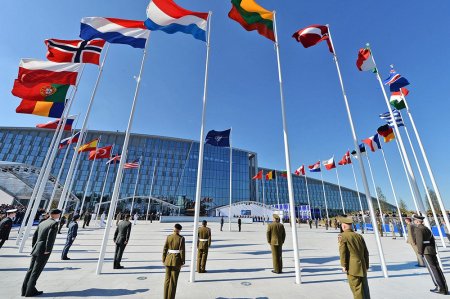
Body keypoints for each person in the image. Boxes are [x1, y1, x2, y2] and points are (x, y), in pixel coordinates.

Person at [22, 209, 61, 297]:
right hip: (44, 250)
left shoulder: (43, 222)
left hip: (36, 248)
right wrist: (48, 249)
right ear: (54, 215)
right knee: (36, 270)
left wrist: (34, 247)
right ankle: (30, 291)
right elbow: (50, 238)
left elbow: (35, 236)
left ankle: (24, 289)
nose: (59, 216)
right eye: (59, 214)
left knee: (31, 269)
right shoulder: (54, 223)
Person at [412, 214, 448, 295]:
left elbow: (420, 242)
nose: (414, 221)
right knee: (437, 269)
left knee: (433, 270)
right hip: (431, 250)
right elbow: (432, 240)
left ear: (417, 221)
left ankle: (440, 288)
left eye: (414, 220)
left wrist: (420, 252)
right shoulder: (427, 229)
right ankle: (444, 287)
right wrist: (433, 249)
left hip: (425, 251)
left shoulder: (418, 229)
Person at [338, 215, 370, 299]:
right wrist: (366, 265)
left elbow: (343, 252)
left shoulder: (343, 236)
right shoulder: (359, 236)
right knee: (365, 288)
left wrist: (343, 265)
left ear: (343, 226)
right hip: (362, 265)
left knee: (357, 289)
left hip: (352, 267)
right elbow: (366, 252)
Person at [163, 223, 185, 299]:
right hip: (176, 261)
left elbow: (165, 249)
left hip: (168, 259)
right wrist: (182, 262)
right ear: (179, 230)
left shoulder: (169, 237)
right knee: (173, 281)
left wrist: (163, 259)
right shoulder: (181, 238)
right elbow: (182, 251)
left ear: (174, 228)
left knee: (167, 280)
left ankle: (165, 297)